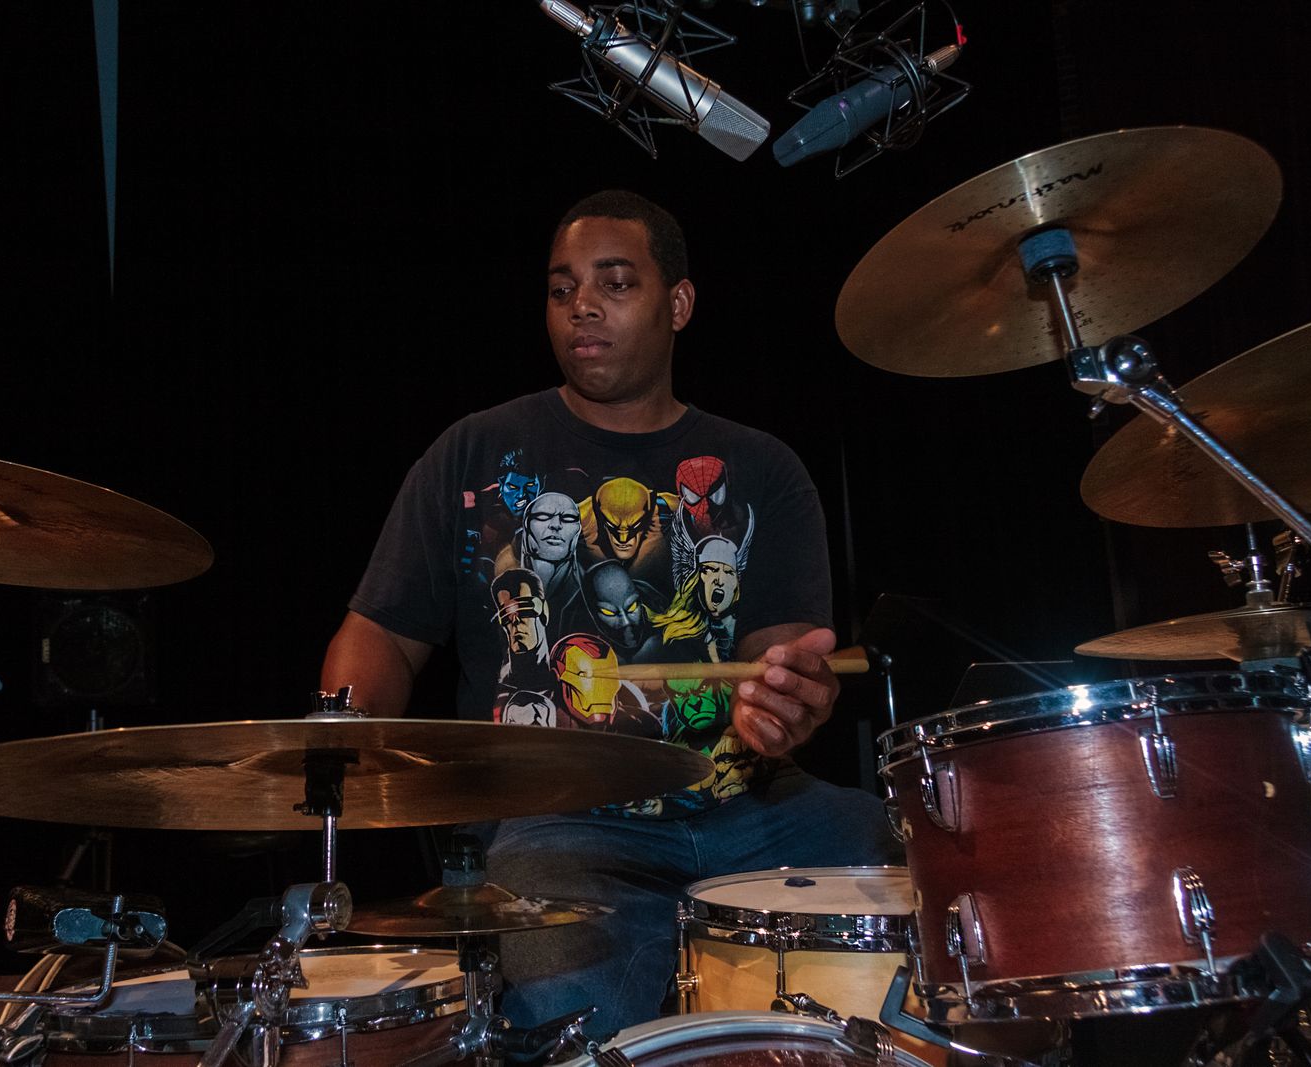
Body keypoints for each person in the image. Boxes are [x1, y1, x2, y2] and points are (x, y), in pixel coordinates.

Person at [321, 189, 895, 1041]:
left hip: (752, 806)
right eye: (562, 289)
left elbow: (780, 659)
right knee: (569, 1006)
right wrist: (341, 741)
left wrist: (784, 704)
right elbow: (380, 634)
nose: (581, 305)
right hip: (557, 820)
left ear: (679, 302)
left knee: (901, 854)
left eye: (615, 283)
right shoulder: (472, 452)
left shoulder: (763, 468)